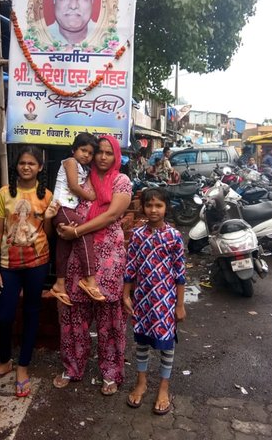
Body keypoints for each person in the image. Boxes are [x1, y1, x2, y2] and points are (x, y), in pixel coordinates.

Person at [52, 135, 132, 395]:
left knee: (110, 318)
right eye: (100, 152)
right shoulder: (82, 178)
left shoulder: (122, 182)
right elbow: (64, 202)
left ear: (116, 155)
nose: (103, 157)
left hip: (109, 257)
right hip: (80, 256)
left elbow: (111, 215)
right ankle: (72, 367)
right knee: (73, 314)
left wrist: (76, 232)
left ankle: (110, 373)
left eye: (109, 153)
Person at [0, 146, 54, 397]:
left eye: (32, 163)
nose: (26, 167)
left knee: (32, 313)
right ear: (16, 166)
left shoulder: (47, 195)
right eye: (22, 163)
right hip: (7, 265)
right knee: (4, 315)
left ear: (40, 168)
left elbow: (48, 232)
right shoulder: (4, 193)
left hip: (37, 263)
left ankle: (23, 366)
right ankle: (4, 361)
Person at [123, 187, 186, 415]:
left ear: (166, 208)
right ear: (143, 207)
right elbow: (130, 268)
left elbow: (180, 274)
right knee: (141, 341)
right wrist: (125, 294)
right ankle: (141, 381)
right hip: (142, 299)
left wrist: (179, 304)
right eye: (149, 205)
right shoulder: (138, 235)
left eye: (158, 205)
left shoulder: (174, 237)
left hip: (166, 300)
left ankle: (163, 387)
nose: (153, 210)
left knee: (166, 344)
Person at [49, 132, 105, 306]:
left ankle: (59, 284)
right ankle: (90, 279)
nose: (86, 155)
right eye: (83, 150)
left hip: (69, 210)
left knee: (64, 244)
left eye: (90, 153)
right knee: (84, 232)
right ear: (74, 149)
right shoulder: (70, 162)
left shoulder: (85, 168)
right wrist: (92, 197)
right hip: (62, 208)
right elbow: (73, 186)